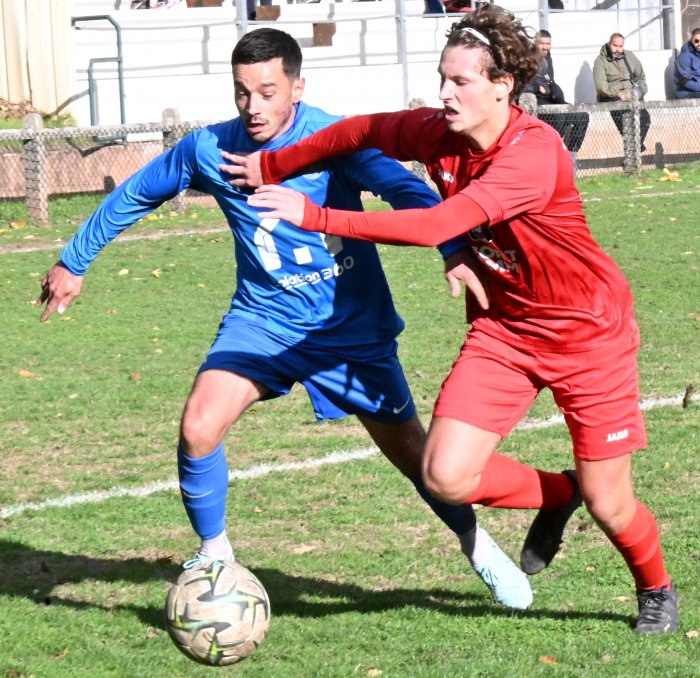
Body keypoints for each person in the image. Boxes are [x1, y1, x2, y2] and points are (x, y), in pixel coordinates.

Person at [34, 28, 532, 610]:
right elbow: (136, 193)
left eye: (267, 92)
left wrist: (451, 247)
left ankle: (476, 545)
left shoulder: (334, 138)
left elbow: (405, 190)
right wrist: (74, 260)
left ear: (297, 88)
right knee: (199, 426)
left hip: (349, 329)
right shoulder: (209, 149)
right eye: (242, 92)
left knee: (416, 458)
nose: (253, 107)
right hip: (263, 322)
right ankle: (214, 557)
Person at [223, 7, 679, 634]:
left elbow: (438, 223)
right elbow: (357, 130)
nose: (443, 93)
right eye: (442, 77)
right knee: (444, 475)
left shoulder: (533, 153)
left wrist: (316, 215)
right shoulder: (439, 132)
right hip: (506, 329)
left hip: (587, 336)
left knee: (612, 503)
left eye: (460, 81)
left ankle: (655, 589)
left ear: (503, 86)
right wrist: (275, 165)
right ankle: (558, 492)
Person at [523, 29, 589, 171]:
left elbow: (549, 81)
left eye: (548, 44)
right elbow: (522, 81)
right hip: (537, 103)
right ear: (535, 43)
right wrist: (537, 87)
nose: (545, 47)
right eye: (542, 44)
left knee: (581, 116)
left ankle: (571, 157)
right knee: (559, 116)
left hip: (552, 99)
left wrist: (552, 90)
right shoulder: (527, 58)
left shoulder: (548, 57)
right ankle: (549, 157)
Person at [593, 33, 651, 153]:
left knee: (645, 119)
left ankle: (634, 150)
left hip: (632, 94)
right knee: (626, 126)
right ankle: (635, 152)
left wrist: (638, 92)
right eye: (615, 45)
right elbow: (601, 87)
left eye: (621, 46)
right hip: (612, 97)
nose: (618, 49)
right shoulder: (600, 61)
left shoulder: (630, 56)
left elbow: (641, 77)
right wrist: (618, 93)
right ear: (609, 44)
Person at [673, 27, 700, 99]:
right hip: (687, 93)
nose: (699, 44)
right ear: (691, 40)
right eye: (696, 41)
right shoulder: (684, 56)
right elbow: (686, 82)